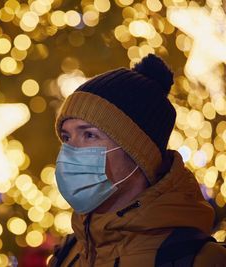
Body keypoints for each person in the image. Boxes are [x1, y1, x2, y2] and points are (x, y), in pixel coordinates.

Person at [49, 54, 226, 267]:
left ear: (137, 152)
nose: (70, 150)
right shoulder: (69, 253)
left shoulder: (198, 260)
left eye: (89, 135)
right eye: (67, 137)